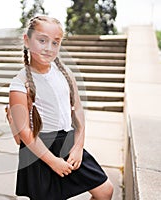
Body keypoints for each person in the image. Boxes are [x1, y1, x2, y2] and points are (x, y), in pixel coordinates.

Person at [6, 16, 114, 200]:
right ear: (27, 40)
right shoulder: (19, 84)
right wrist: (53, 162)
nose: (49, 48)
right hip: (40, 150)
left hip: (68, 143)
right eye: (42, 40)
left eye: (55, 43)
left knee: (105, 190)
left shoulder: (65, 74)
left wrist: (78, 146)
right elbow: (25, 132)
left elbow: (77, 110)